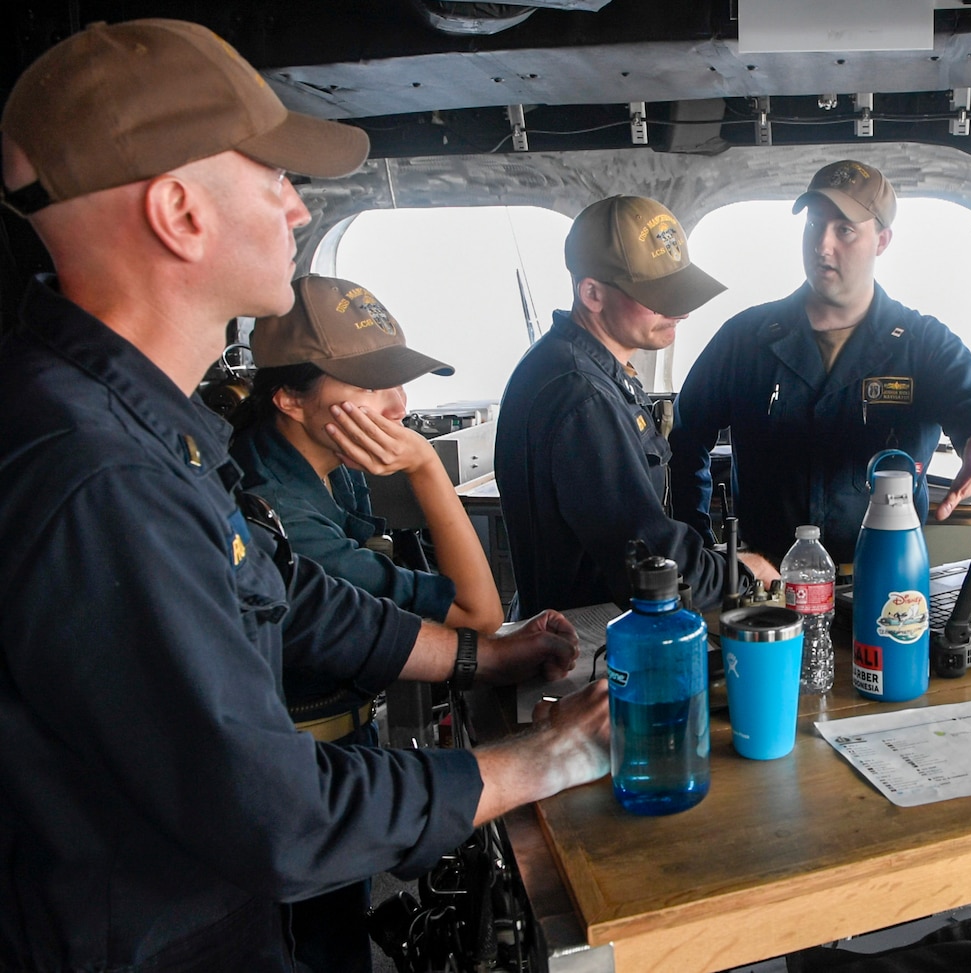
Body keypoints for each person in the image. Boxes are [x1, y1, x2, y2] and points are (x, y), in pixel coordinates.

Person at [0, 19, 608, 972]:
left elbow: (283, 594)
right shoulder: (95, 472)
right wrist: (533, 763)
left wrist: (481, 657)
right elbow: (277, 816)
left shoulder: (137, 423)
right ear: (179, 214)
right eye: (273, 176)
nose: (294, 208)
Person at [229, 274, 505, 972]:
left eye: (398, 381)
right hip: (297, 784)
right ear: (289, 397)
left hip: (340, 747)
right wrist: (423, 468)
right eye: (371, 384)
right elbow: (482, 615)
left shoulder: (320, 466)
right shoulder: (281, 512)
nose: (397, 406)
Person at [668, 160, 971, 567]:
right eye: (813, 225)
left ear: (882, 240)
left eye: (845, 229)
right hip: (766, 585)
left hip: (886, 578)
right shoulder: (745, 339)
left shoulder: (923, 343)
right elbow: (684, 438)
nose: (822, 245)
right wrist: (696, 542)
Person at [496, 194, 779, 615]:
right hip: (588, 643)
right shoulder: (582, 394)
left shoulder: (578, 368)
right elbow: (647, 561)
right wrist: (743, 573)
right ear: (592, 293)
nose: (680, 310)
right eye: (658, 294)